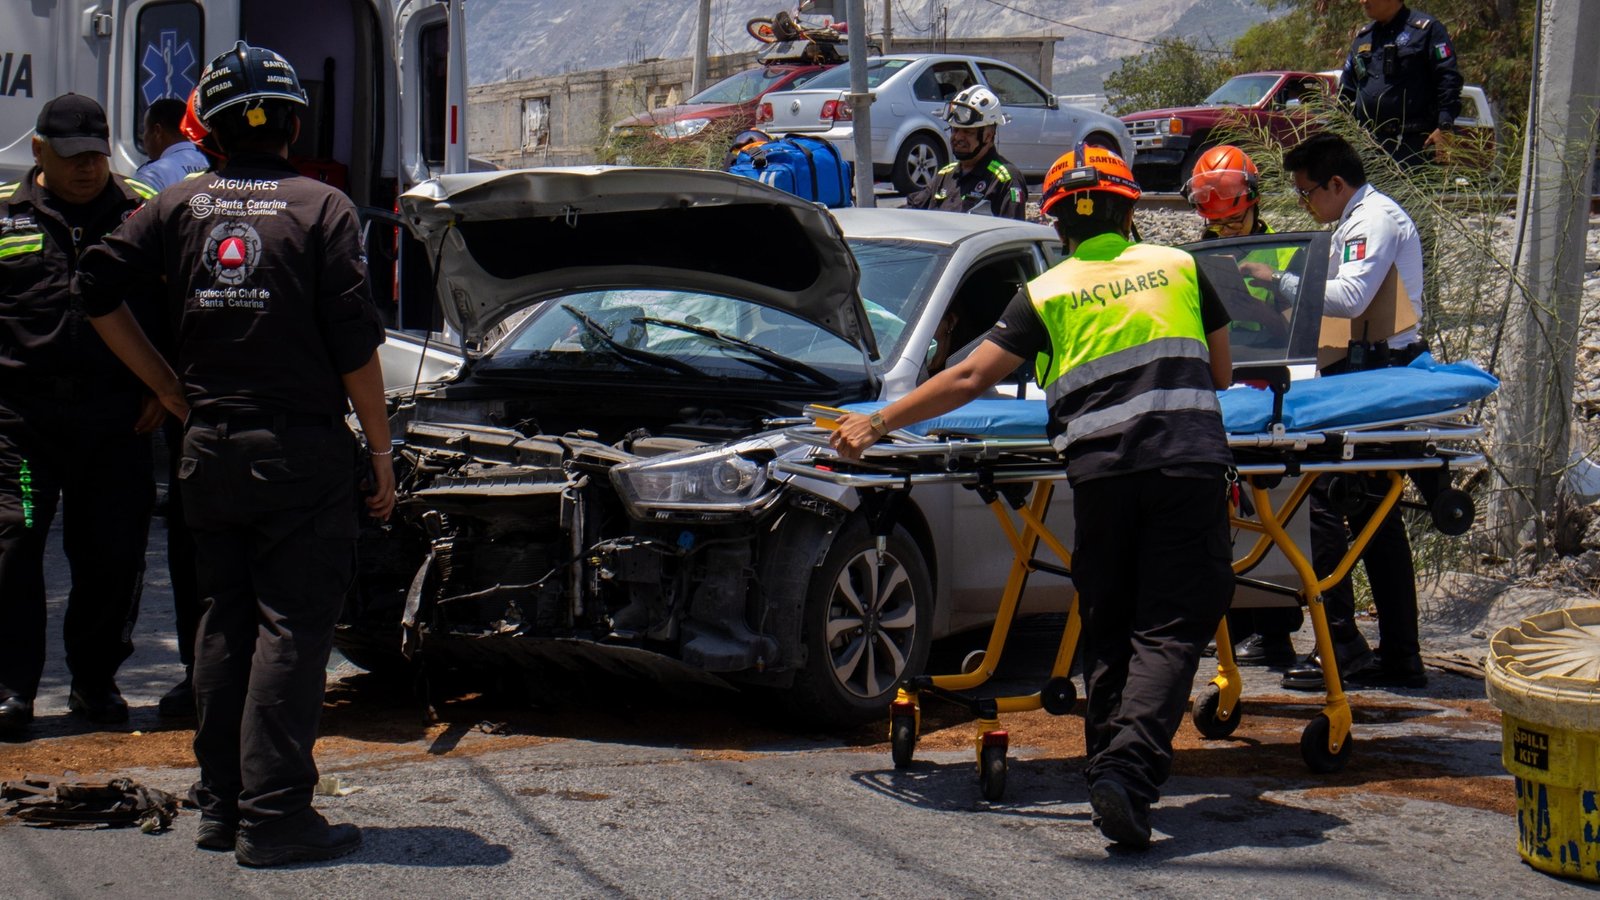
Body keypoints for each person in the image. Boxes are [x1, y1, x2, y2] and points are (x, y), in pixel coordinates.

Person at [833, 146, 1234, 849]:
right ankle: (1128, 776)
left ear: (1056, 227)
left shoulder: (1046, 293)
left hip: (1102, 476)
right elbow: (1223, 374)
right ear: (1130, 210)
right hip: (1185, 466)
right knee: (1171, 625)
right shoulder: (1180, 269)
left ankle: (1109, 778)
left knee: (1109, 625)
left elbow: (967, 379)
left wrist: (877, 420)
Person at [75, 42, 396, 867]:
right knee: (292, 629)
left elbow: (94, 287)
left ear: (207, 131)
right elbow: (356, 344)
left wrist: (170, 386)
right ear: (294, 122)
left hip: (207, 448)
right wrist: (383, 452)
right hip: (298, 455)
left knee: (224, 622)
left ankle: (222, 807)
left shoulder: (174, 205)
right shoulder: (321, 208)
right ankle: (277, 816)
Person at [0, 93, 161, 736]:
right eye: (72, 156)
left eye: (97, 154)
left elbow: (177, 309)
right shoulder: (5, 216)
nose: (87, 168)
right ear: (39, 151)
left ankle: (95, 684)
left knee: (111, 556)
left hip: (117, 419)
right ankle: (12, 690)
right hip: (22, 421)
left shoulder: (144, 213)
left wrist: (163, 386)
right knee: (14, 544)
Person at [1272, 132, 1428, 691]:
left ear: (1336, 184)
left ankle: (1341, 644)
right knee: (1372, 516)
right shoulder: (1354, 220)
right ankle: (1399, 654)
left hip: (1376, 377)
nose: (1305, 203)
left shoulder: (1371, 221)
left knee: (1325, 502)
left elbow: (1352, 299)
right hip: (1366, 373)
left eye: (1307, 192)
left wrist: (1281, 282)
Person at [1186, 144, 1300, 668]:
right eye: (1214, 213)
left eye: (1232, 211)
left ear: (1253, 199)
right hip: (1218, 386)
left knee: (1271, 508)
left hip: (1270, 383)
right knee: (1221, 511)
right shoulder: (1198, 257)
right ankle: (1228, 620)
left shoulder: (1287, 253)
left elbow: (1299, 328)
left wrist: (1256, 298)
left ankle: (1275, 628)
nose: (1225, 225)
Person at [1340, 0, 1463, 167]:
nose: (1362, 1)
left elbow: (1448, 79)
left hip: (1415, 146)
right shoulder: (1363, 38)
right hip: (1369, 148)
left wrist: (1445, 126)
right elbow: (1346, 92)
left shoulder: (1427, 30)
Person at [905, 86, 1027, 219]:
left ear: (988, 135)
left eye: (968, 132)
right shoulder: (945, 175)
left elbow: (1012, 232)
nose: (957, 137)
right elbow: (912, 210)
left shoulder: (1006, 180)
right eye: (955, 130)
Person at [134, 98, 212, 192]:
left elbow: (143, 206)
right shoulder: (212, 164)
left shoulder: (151, 175)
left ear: (157, 131)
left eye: (145, 129)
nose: (143, 137)